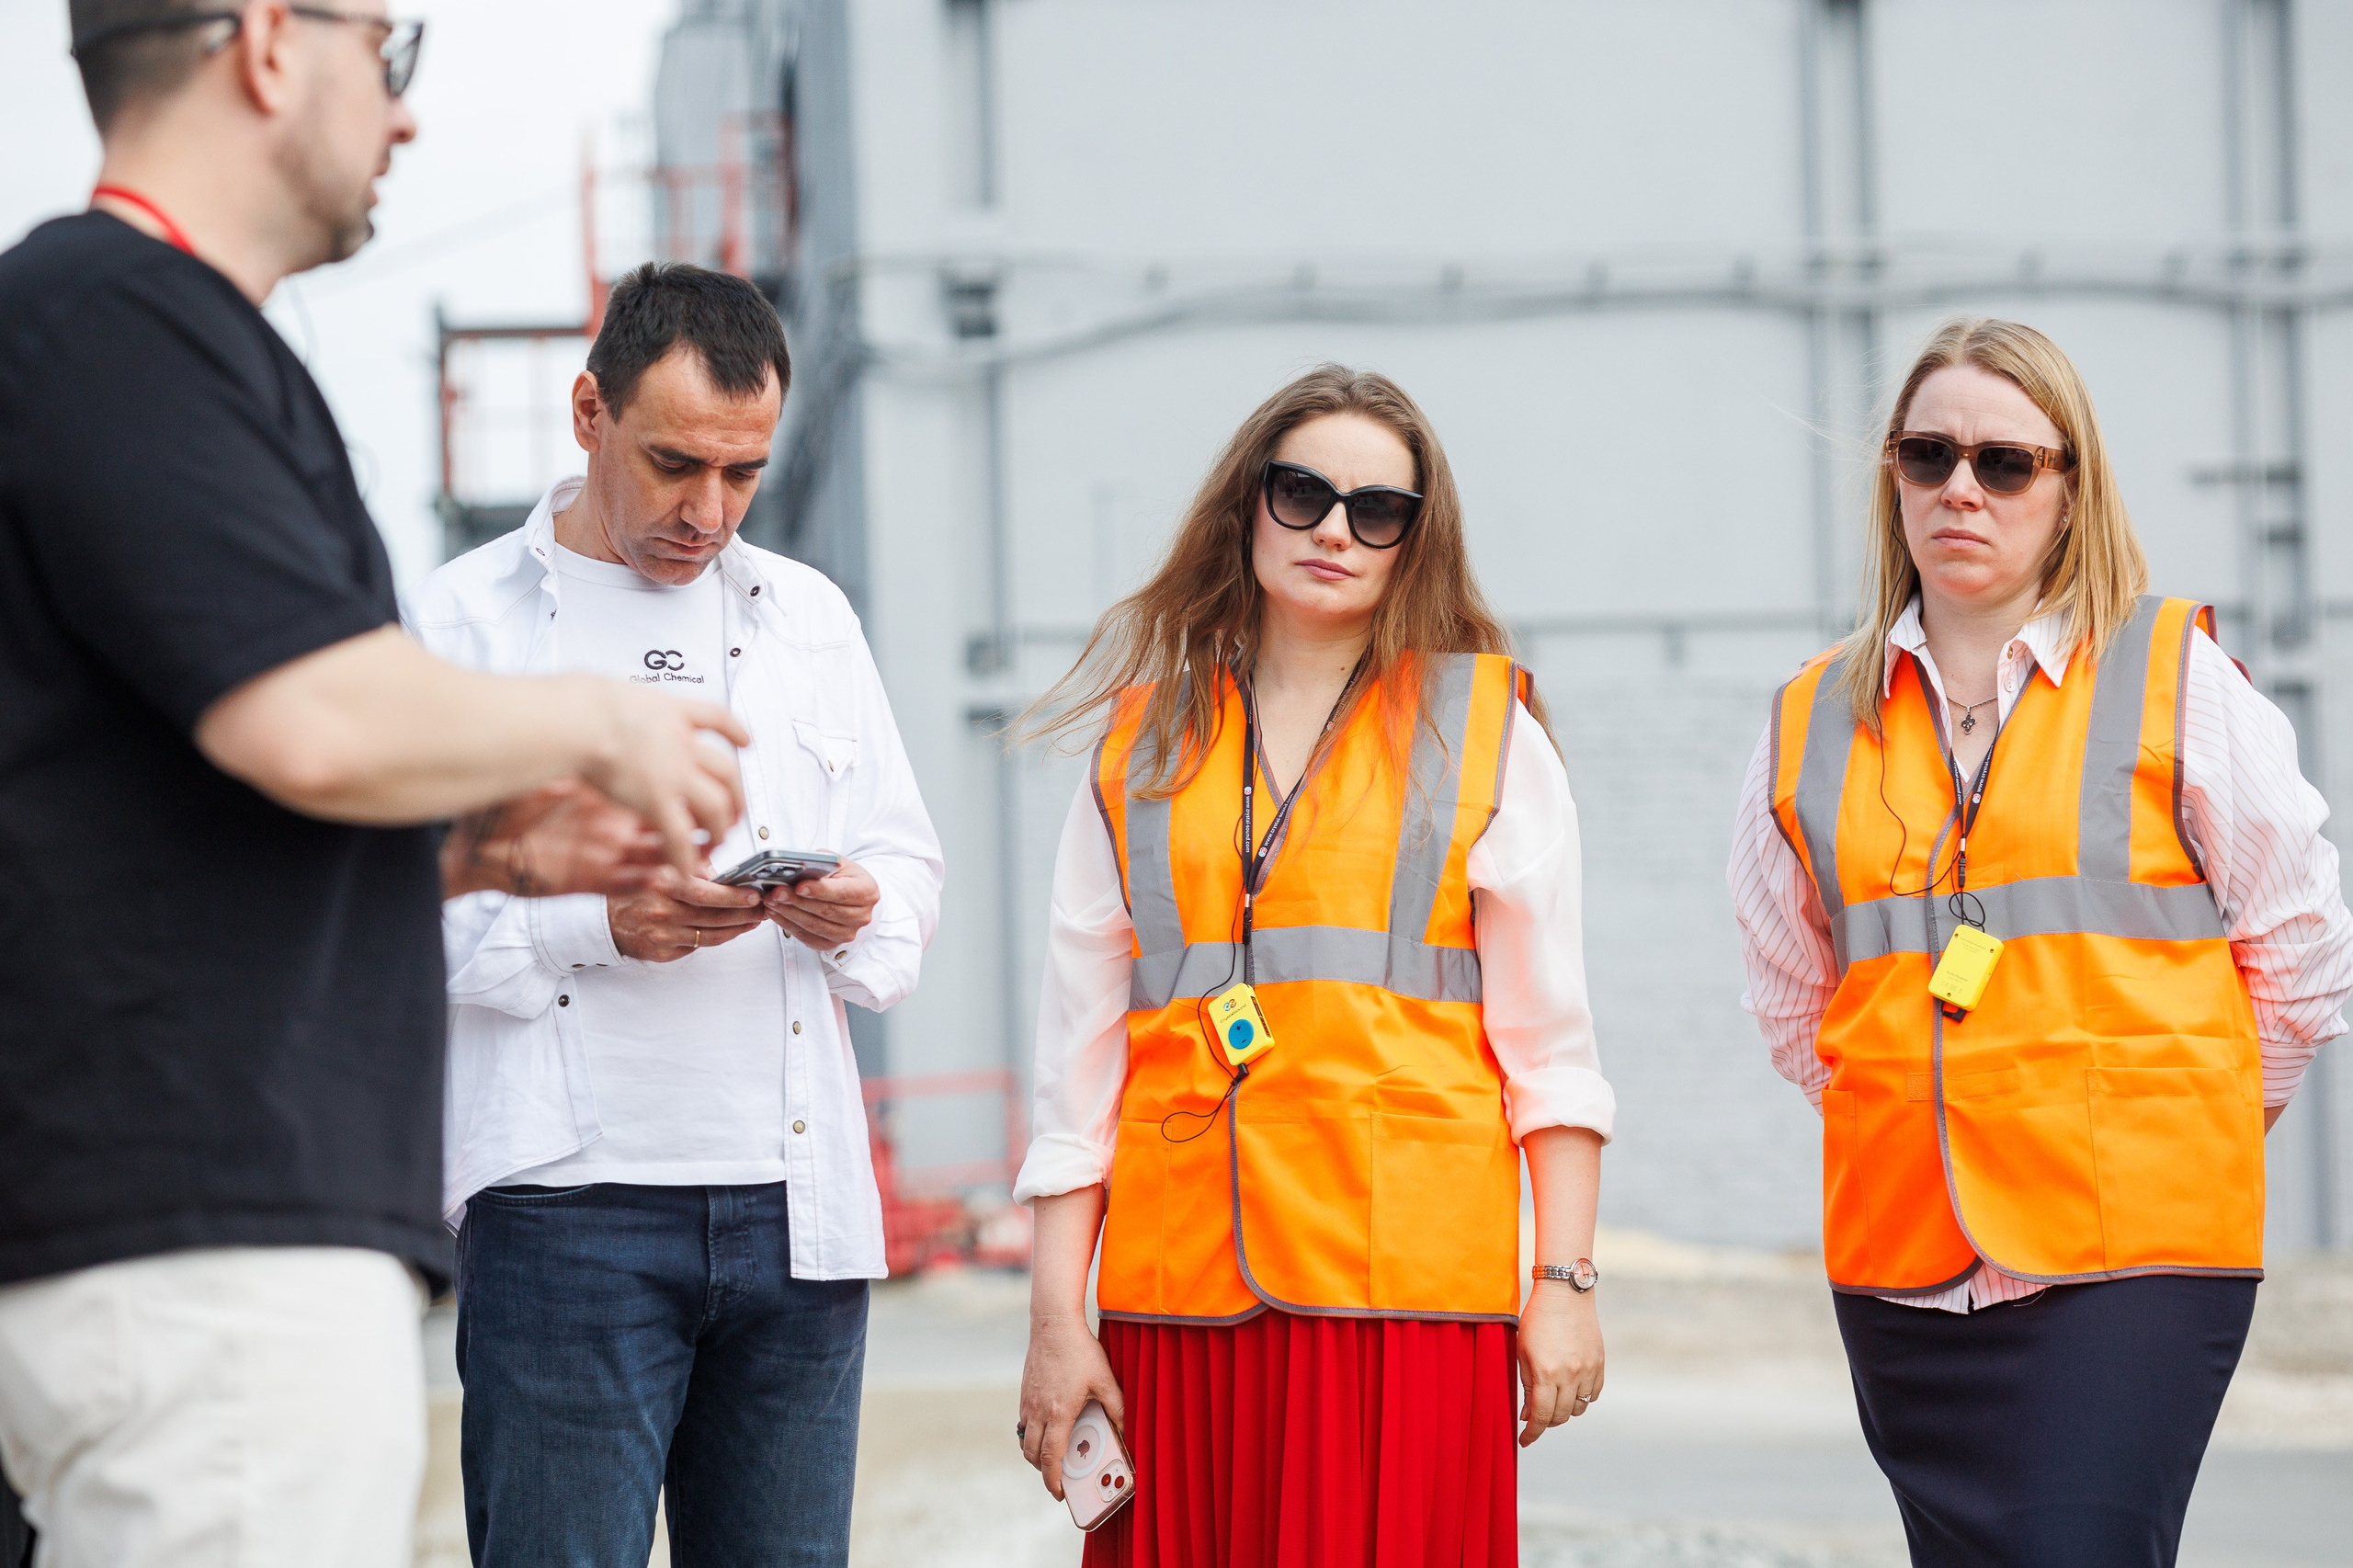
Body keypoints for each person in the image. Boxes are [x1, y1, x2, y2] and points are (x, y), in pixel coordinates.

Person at [0, 6, 752, 1565]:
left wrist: (470, 848)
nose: (405, 121)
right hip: (204, 1246)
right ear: (270, 43)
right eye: (387, 59)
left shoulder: (114, 333)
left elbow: (150, 815)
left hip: (183, 1227)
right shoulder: (122, 318)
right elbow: (311, 720)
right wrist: (597, 725)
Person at [1729, 316, 2353, 1568]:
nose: (1962, 487)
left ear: (2070, 491)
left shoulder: (2174, 675)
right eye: (1927, 455)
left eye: (2005, 462)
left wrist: (2183, 1119)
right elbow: (1794, 996)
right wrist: (1921, 1106)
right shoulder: (1809, 719)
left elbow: (2301, 949)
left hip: (2134, 1255)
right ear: (1893, 478)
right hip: (1908, 1267)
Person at [1011, 365, 1615, 1565]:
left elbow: (1552, 1050)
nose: (1336, 528)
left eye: (1377, 510)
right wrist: (1053, 1317)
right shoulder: (1138, 750)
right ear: (1249, 504)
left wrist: (1565, 1281)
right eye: (1304, 492)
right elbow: (1076, 1072)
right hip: (1176, 1303)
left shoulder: (1486, 730)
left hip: (1406, 1299)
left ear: (1412, 542)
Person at [405, 260, 946, 1568]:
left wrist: (851, 904)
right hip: (562, 1214)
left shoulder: (807, 614)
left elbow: (909, 868)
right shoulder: (456, 622)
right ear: (588, 412)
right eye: (674, 464)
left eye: (743, 471)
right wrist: (595, 921)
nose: (710, 510)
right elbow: (381, 912)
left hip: (796, 1216)